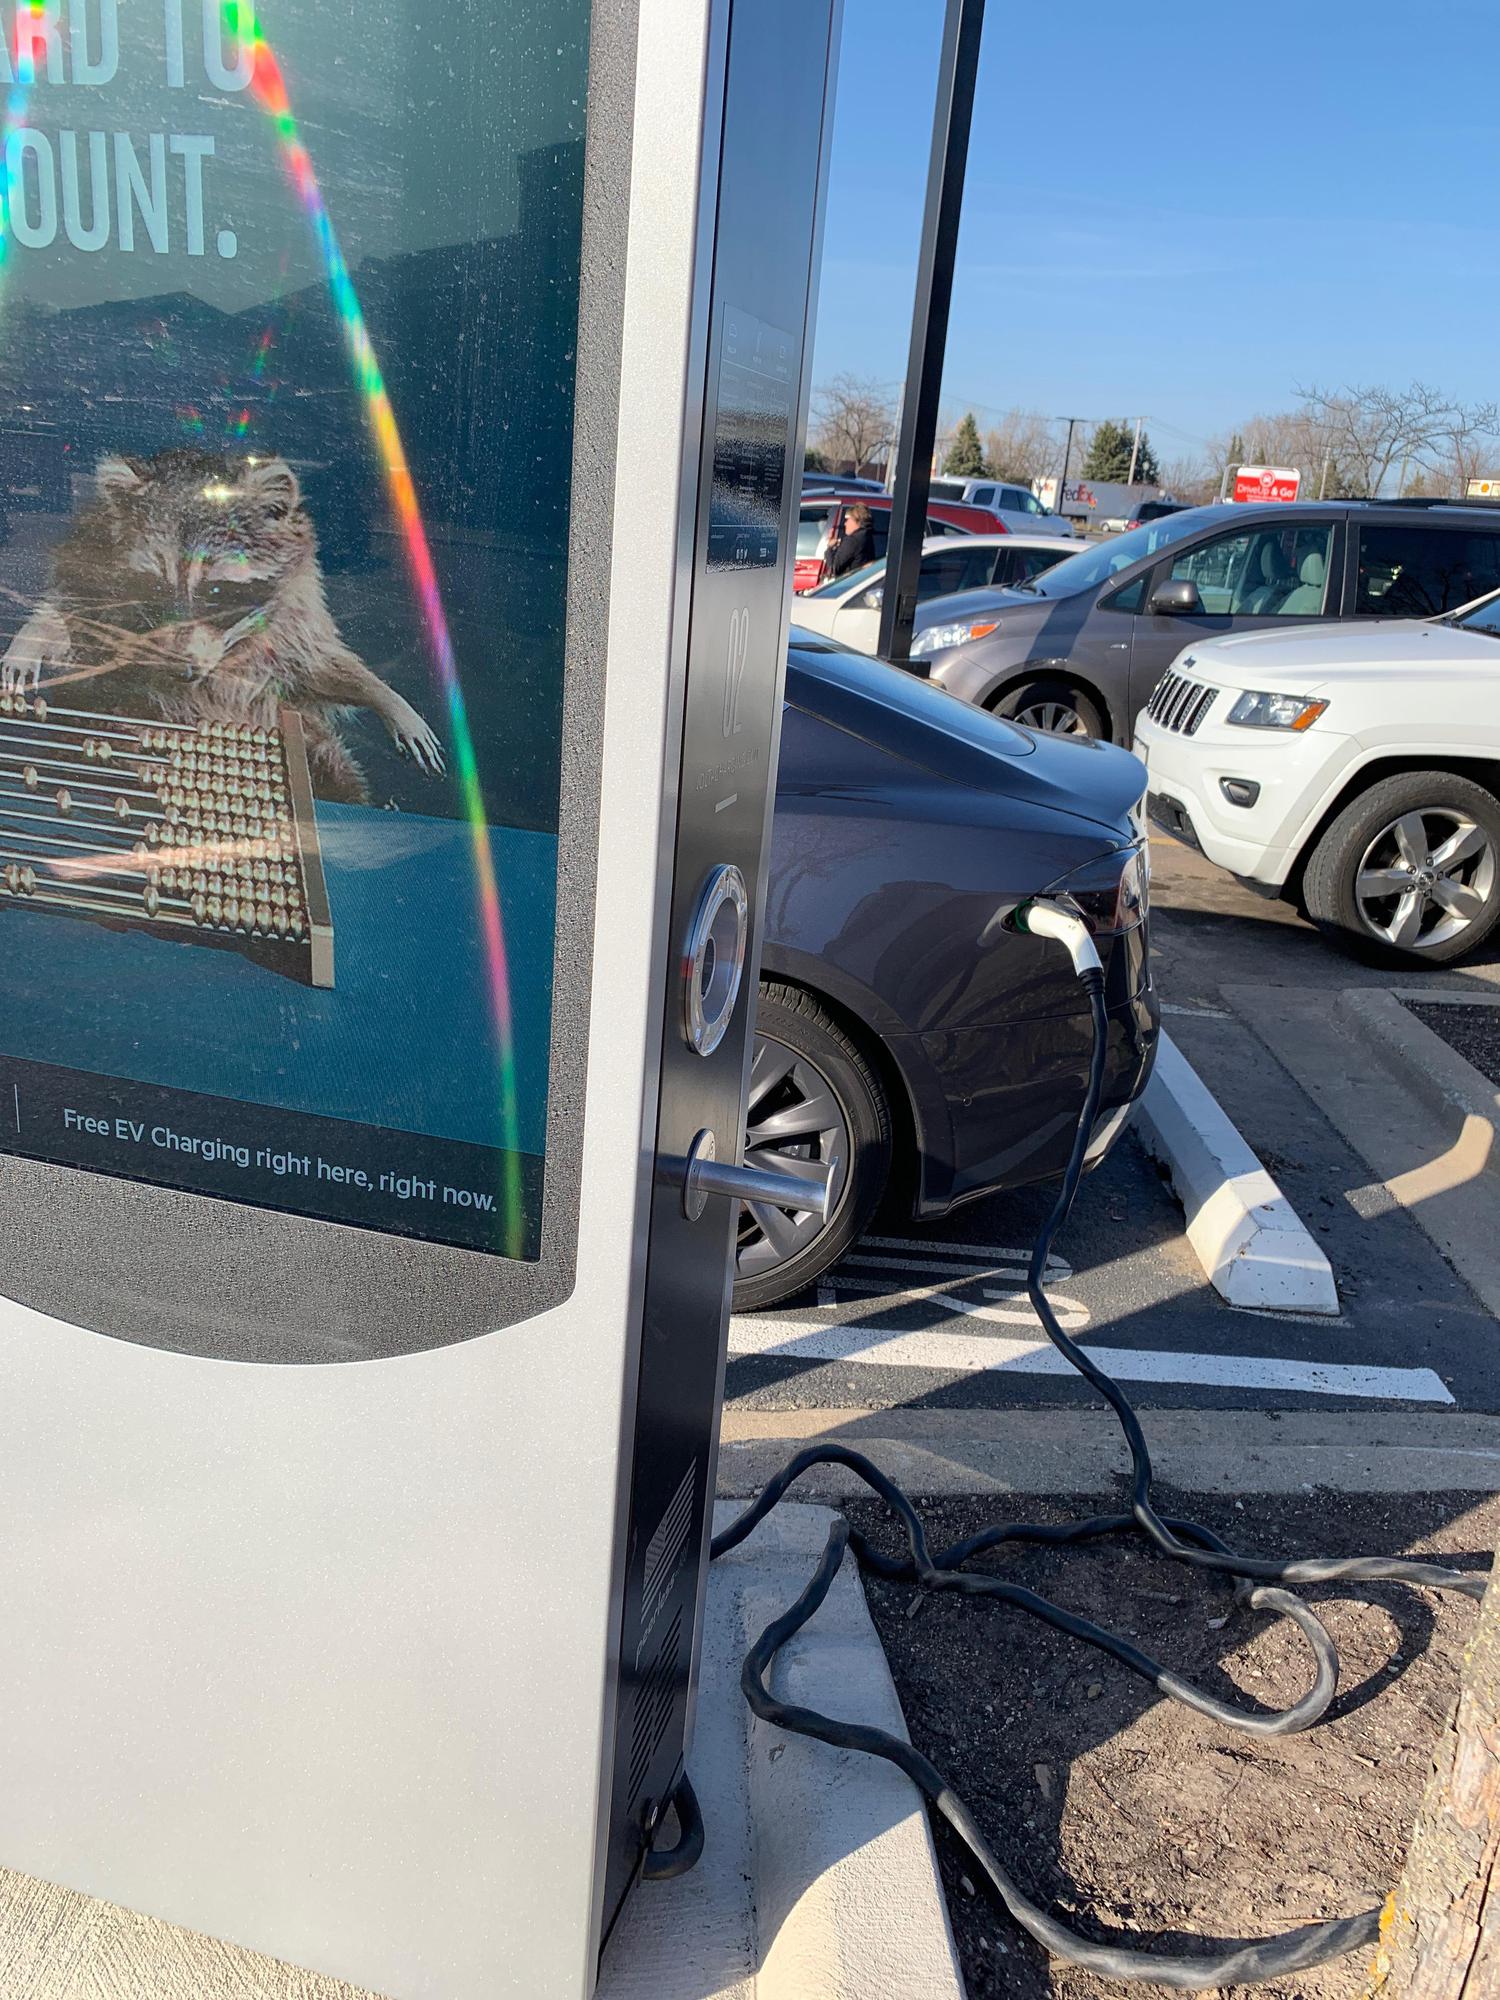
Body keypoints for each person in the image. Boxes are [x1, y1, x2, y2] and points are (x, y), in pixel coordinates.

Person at [825, 503, 875, 579]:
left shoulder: (852, 540)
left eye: (848, 520)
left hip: (850, 583)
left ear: (856, 521)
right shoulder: (867, 536)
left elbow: (834, 568)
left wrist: (829, 548)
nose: (845, 524)